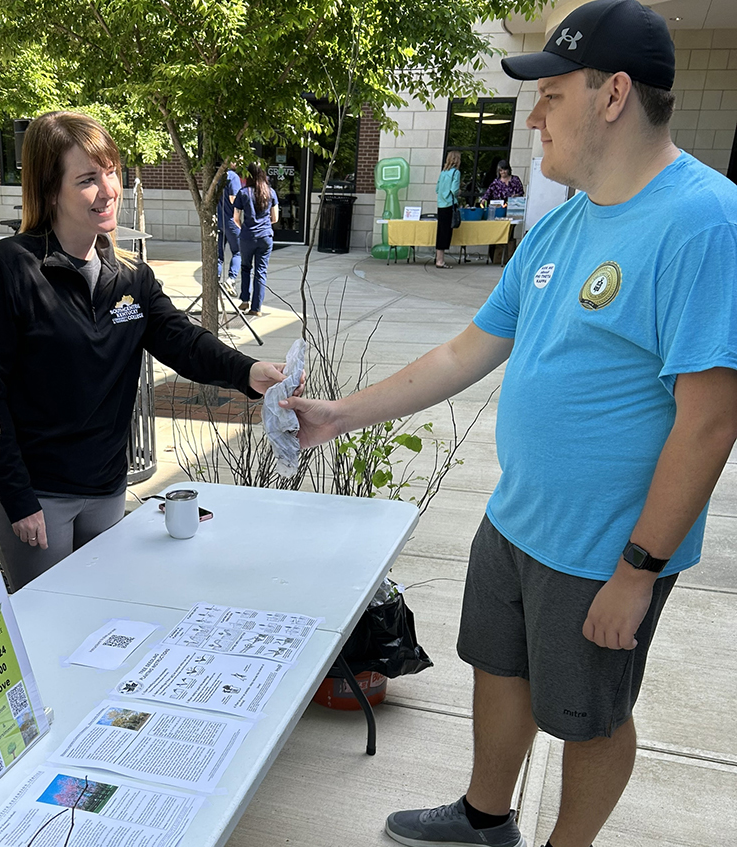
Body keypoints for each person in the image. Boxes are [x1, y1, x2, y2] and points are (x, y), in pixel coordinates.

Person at [281, 2, 737, 847]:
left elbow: (710, 425)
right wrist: (335, 417)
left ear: (613, 96)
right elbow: (465, 350)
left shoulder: (704, 221)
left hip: (603, 546)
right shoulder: (562, 223)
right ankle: (487, 819)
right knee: (500, 666)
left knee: (591, 715)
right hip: (518, 516)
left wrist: (638, 569)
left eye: (551, 94)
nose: (534, 115)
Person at [0, 112, 291, 592]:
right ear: (50, 189)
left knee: (101, 613)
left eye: (111, 171)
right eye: (86, 179)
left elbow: (181, 340)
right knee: (48, 623)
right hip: (39, 494)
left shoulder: (129, 275)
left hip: (106, 487)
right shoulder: (11, 267)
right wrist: (17, 497)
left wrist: (250, 371)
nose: (107, 189)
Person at [234, 162, 278, 317]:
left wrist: (245, 228)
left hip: (247, 236)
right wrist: (263, 225)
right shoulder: (271, 192)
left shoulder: (243, 193)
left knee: (246, 268)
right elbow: (275, 218)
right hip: (265, 236)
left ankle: (245, 299)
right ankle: (256, 307)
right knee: (261, 272)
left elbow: (236, 218)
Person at [434, 150, 461, 269]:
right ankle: (440, 261)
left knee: (441, 231)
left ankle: (439, 258)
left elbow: (437, 189)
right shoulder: (456, 173)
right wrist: (458, 193)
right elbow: (454, 190)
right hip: (449, 204)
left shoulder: (443, 172)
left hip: (441, 205)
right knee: (446, 233)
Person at [216, 166, 242, 294]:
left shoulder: (218, 175)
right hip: (232, 221)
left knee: (219, 256)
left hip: (219, 220)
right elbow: (234, 199)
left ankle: (215, 282)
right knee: (238, 252)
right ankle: (231, 279)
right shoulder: (233, 177)